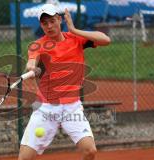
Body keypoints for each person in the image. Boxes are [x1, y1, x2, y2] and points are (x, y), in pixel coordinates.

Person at [19, 4, 111, 160]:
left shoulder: (76, 39)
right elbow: (31, 61)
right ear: (41, 25)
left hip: (72, 107)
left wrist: (74, 30)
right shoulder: (37, 45)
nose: (49, 26)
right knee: (24, 158)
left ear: (59, 19)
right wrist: (32, 67)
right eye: (44, 23)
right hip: (46, 108)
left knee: (90, 151)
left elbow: (106, 40)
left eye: (52, 21)